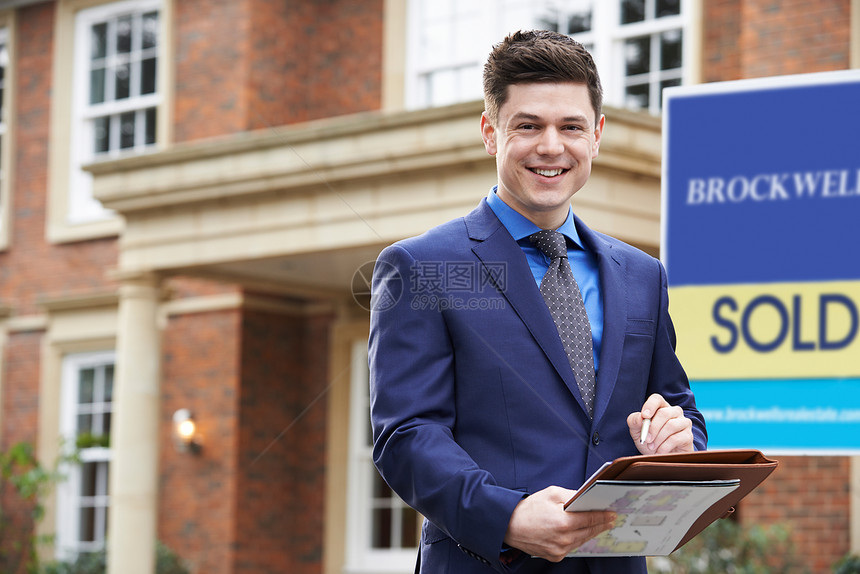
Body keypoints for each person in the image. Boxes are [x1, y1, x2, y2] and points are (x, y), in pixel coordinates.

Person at [368, 29, 706, 574]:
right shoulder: (420, 267)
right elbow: (407, 436)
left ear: (596, 135)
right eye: (528, 126)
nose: (552, 146)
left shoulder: (643, 275)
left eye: (571, 126)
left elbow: (677, 405)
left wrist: (678, 439)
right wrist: (509, 516)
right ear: (490, 132)